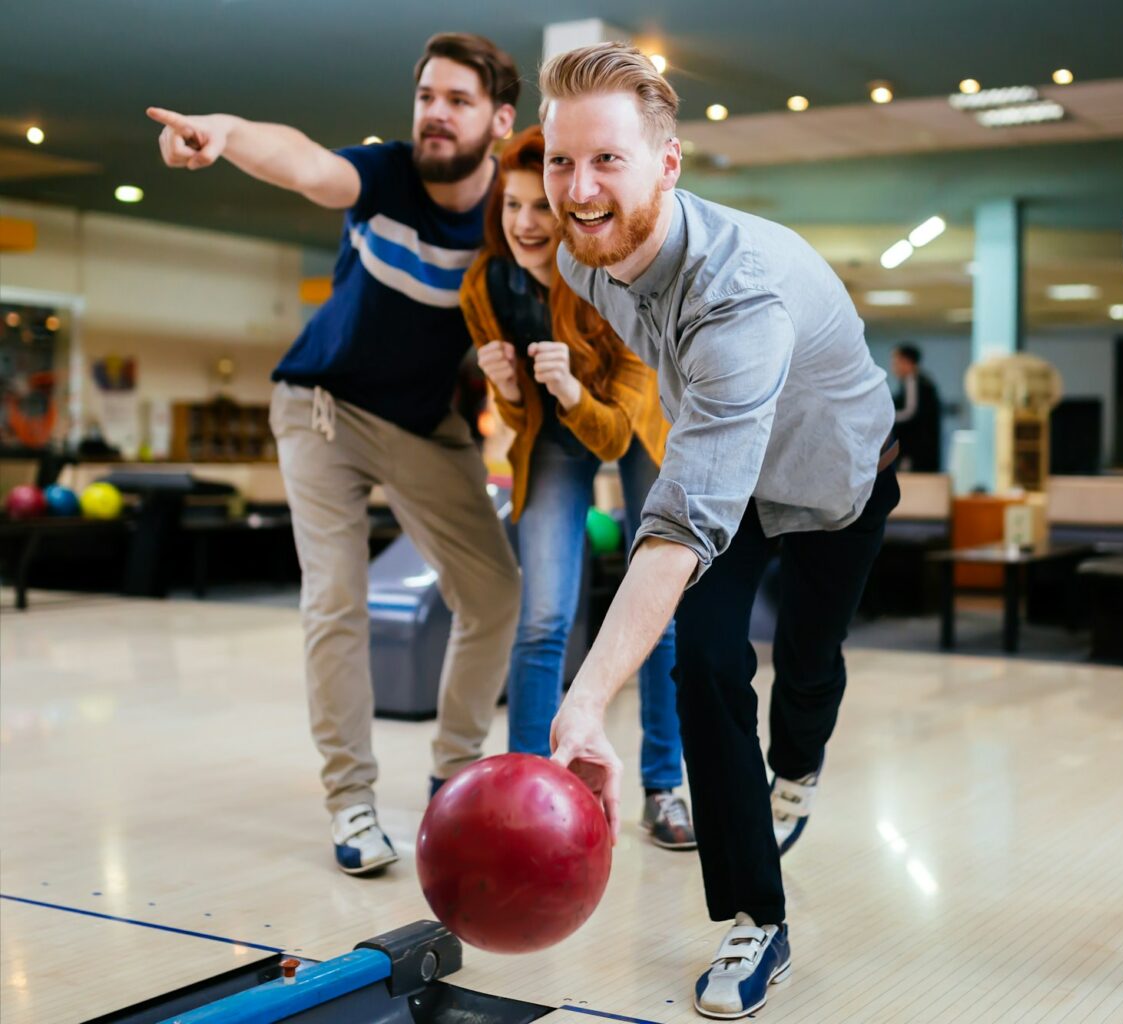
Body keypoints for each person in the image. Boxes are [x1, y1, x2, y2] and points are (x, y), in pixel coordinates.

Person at [536, 43, 898, 1020]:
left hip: (838, 476)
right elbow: (699, 495)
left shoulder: (742, 293)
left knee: (809, 663)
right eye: (560, 162)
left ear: (668, 162)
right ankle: (756, 917)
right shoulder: (585, 247)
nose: (578, 189)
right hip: (730, 474)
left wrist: (586, 699)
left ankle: (802, 769)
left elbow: (677, 526)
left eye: (606, 160)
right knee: (703, 661)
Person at [147, 33, 523, 876]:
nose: (435, 113)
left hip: (426, 424)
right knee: (338, 598)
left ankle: (454, 777)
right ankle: (352, 801)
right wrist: (224, 130)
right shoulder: (386, 174)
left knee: (495, 595)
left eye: (458, 101)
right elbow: (306, 165)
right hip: (321, 407)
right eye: (427, 95)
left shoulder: (512, 211)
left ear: (499, 119)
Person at [459, 125, 694, 850]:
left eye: (540, 207)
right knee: (543, 617)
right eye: (511, 207)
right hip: (554, 430)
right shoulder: (485, 283)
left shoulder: (608, 272)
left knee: (654, 613)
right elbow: (518, 418)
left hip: (637, 420)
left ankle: (664, 785)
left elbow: (620, 431)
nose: (526, 223)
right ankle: (529, 789)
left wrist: (564, 386)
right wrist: (505, 390)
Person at [889, 343, 942, 472]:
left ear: (907, 362)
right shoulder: (924, 382)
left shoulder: (913, 381)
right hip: (924, 451)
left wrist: (885, 418)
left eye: (896, 362)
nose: (893, 367)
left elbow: (910, 413)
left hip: (914, 451)